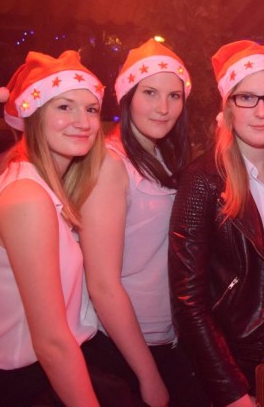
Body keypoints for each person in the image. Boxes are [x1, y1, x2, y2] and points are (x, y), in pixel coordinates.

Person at [168, 40, 264, 407]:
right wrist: (232, 391)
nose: (261, 111)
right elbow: (188, 301)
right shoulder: (203, 181)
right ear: (229, 106)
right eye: (247, 98)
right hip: (231, 370)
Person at [0, 51, 109, 406]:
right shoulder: (27, 198)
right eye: (64, 107)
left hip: (39, 377)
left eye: (91, 109)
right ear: (34, 115)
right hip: (24, 387)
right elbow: (51, 343)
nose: (83, 121)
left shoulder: (33, 182)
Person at [79, 39, 206, 407]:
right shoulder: (111, 165)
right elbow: (102, 285)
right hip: (125, 349)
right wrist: (148, 375)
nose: (163, 108)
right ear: (128, 96)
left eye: (174, 96)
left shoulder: (161, 156)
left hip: (165, 339)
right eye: (150, 93)